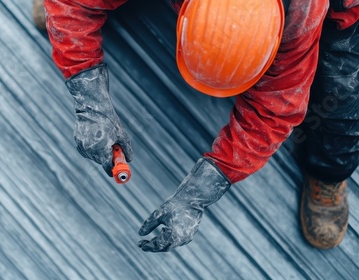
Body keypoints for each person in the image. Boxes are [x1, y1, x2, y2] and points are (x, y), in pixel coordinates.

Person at [35, 0, 359, 252]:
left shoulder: (298, 19)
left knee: (341, 96)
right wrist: (90, 101)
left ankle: (328, 171)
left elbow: (273, 110)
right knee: (69, 12)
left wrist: (196, 196)